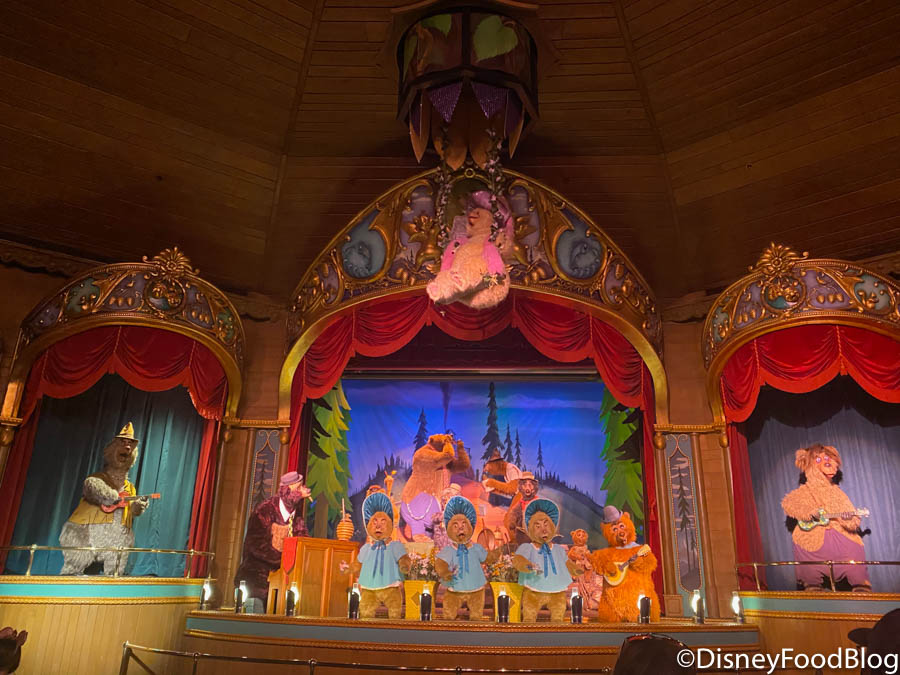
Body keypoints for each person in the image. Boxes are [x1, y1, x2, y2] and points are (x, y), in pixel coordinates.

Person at [59, 423, 151, 575]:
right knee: (75, 567)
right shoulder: (98, 479)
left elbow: (130, 511)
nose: (127, 447)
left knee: (115, 569)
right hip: (85, 532)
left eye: (130, 444)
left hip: (117, 536)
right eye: (122, 442)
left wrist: (137, 507)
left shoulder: (130, 488)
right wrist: (113, 496)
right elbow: (91, 487)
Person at [781, 444, 870, 591]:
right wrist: (808, 512)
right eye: (827, 464)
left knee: (854, 547)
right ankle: (812, 584)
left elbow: (853, 519)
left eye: (835, 466)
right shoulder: (805, 491)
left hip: (838, 534)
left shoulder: (837, 493)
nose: (833, 469)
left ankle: (860, 584)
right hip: (813, 535)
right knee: (804, 546)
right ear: (812, 464)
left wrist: (847, 519)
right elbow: (789, 503)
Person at [234, 471, 311, 611]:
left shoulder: (296, 518)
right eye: (298, 488)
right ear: (287, 491)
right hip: (257, 579)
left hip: (282, 582)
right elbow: (255, 545)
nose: (304, 490)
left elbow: (304, 543)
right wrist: (283, 559)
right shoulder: (265, 510)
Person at [503, 471, 539, 545]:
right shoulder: (521, 502)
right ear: (521, 487)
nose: (527, 488)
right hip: (522, 535)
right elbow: (513, 512)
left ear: (534, 487)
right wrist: (512, 521)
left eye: (530, 485)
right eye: (525, 485)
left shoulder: (537, 502)